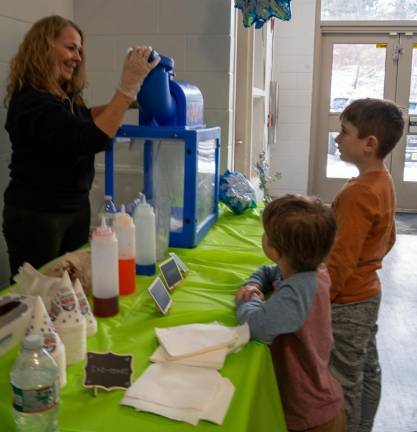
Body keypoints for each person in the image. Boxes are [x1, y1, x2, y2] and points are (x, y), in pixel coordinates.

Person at [2, 15, 159, 280]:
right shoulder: (30, 102)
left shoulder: (61, 98)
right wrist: (127, 89)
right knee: (39, 294)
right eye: (71, 48)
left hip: (73, 208)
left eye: (80, 51)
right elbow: (88, 138)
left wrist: (124, 103)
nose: (78, 57)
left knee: (71, 292)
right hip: (39, 217)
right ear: (44, 47)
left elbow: (83, 118)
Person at [325, 98, 405, 432]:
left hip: (347, 302)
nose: (338, 138)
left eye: (345, 132)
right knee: (366, 369)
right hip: (368, 293)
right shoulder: (382, 181)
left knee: (343, 382)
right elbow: (389, 238)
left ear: (369, 144)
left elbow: (340, 262)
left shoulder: (358, 193)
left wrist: (318, 297)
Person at [235, 194, 346, 432]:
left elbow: (256, 327)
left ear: (274, 250)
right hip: (314, 406)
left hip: (310, 414)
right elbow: (268, 272)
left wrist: (247, 299)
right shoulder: (307, 270)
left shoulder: (296, 291)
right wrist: (255, 284)